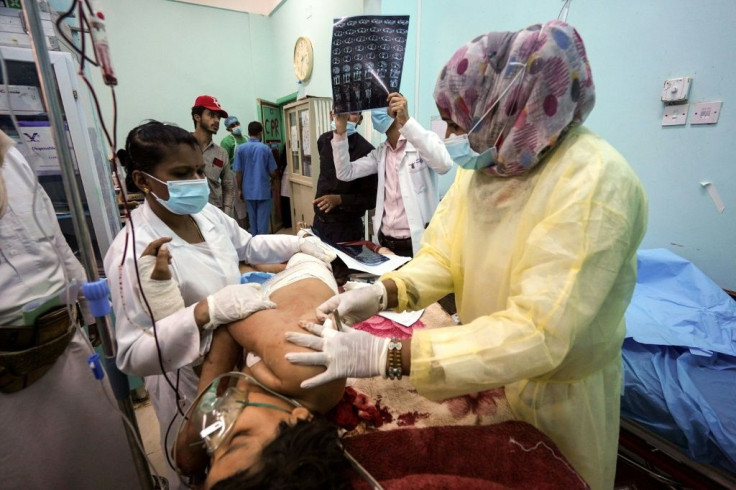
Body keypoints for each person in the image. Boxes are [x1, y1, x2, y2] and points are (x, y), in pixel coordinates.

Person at [287, 21, 648, 490]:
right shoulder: (489, 167)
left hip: (562, 394)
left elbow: (536, 332)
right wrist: (383, 293)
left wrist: (389, 355)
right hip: (493, 369)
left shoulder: (595, 183)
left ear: (510, 109)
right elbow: (444, 254)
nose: (452, 134)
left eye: (459, 121)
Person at [104, 121, 335, 487]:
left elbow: (248, 245)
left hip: (231, 363)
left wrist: (297, 244)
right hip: (187, 380)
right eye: (181, 173)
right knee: (199, 465)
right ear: (143, 180)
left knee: (239, 458)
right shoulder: (133, 253)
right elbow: (132, 355)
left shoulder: (204, 214)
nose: (196, 181)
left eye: (198, 170)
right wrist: (204, 312)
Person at [137, 250, 353, 488]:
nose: (215, 434)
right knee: (255, 267)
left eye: (213, 454)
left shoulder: (258, 417)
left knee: (245, 273)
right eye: (237, 440)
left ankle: (256, 269)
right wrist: (194, 426)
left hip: (274, 296)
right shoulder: (302, 364)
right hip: (307, 268)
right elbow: (230, 320)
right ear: (300, 419)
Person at [0, 129, 139, 488]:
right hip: (7, 369)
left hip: (62, 337)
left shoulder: (12, 157)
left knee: (102, 452)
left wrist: (89, 308)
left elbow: (52, 235)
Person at [332, 92, 454, 257]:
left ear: (397, 107)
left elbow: (444, 164)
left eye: (378, 108)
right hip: (386, 244)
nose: (374, 114)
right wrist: (340, 132)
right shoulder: (381, 153)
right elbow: (345, 172)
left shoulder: (422, 142)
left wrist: (407, 122)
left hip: (416, 244)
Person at [312, 110, 376, 246]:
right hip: (319, 223)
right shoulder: (324, 140)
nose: (345, 118)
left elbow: (371, 199)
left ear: (360, 119)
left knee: (343, 267)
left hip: (346, 228)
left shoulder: (366, 150)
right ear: (331, 115)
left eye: (352, 113)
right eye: (341, 113)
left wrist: (340, 200)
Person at [191, 95, 234, 216]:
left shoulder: (221, 153)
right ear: (197, 117)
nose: (216, 120)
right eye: (211, 115)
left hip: (215, 213)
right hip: (189, 214)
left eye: (218, 117)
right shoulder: (183, 147)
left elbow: (228, 186)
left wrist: (226, 214)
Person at [233, 121, 277, 236]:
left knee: (252, 223)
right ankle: (262, 249)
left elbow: (238, 173)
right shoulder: (266, 149)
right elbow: (273, 172)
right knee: (263, 224)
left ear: (248, 132)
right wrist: (273, 180)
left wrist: (240, 189)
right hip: (263, 190)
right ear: (260, 133)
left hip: (248, 191)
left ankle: (253, 249)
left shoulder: (240, 149)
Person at [220, 115, 248, 228]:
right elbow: (224, 163)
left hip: (249, 174)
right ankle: (243, 229)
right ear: (228, 129)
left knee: (249, 202)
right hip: (235, 176)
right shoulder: (227, 142)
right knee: (240, 205)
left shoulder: (247, 138)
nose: (236, 126)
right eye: (232, 125)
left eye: (237, 123)